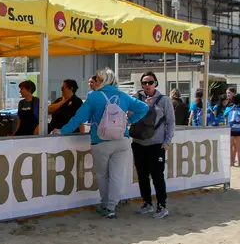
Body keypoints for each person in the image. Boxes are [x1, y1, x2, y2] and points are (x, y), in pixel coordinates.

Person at [52, 68, 148, 219]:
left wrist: (63, 131)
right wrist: (129, 122)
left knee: (103, 175)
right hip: (122, 140)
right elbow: (144, 107)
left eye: (96, 79)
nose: (94, 82)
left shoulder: (94, 97)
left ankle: (105, 206)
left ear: (102, 81)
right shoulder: (123, 96)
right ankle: (111, 207)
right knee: (117, 176)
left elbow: (79, 118)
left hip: (101, 141)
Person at [130, 72, 175, 219]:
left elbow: (170, 121)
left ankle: (161, 205)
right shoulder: (136, 98)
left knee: (157, 176)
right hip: (138, 143)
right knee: (142, 176)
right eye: (144, 83)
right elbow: (129, 117)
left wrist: (167, 141)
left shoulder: (164, 100)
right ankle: (147, 202)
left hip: (156, 144)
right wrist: (143, 106)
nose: (146, 85)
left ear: (156, 83)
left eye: (150, 82)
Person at [227, 93, 240, 166]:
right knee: (239, 147)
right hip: (239, 128)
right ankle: (239, 163)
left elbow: (225, 115)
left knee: (232, 147)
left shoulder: (230, 107)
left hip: (231, 128)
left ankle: (231, 162)